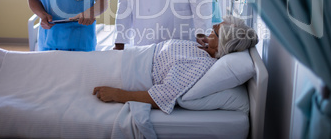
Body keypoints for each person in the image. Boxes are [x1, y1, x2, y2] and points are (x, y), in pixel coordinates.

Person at [94, 15, 258, 114]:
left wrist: (117, 94)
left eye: (215, 30)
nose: (213, 26)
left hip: (126, 70)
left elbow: (161, 97)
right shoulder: (202, 48)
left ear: (221, 45)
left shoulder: (201, 65)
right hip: (128, 57)